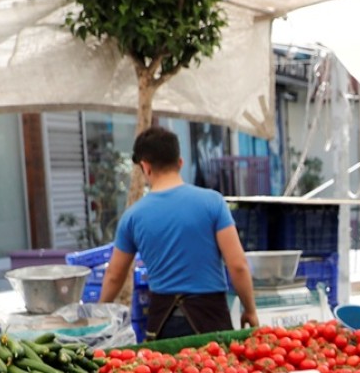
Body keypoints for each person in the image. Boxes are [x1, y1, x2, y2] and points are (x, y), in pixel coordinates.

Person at [99, 125, 259, 338]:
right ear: (180, 163)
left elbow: (114, 276)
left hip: (163, 324)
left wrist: (98, 314)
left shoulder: (132, 216)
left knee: (168, 370)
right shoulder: (213, 203)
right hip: (211, 319)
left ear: (145, 167)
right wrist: (250, 309)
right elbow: (238, 266)